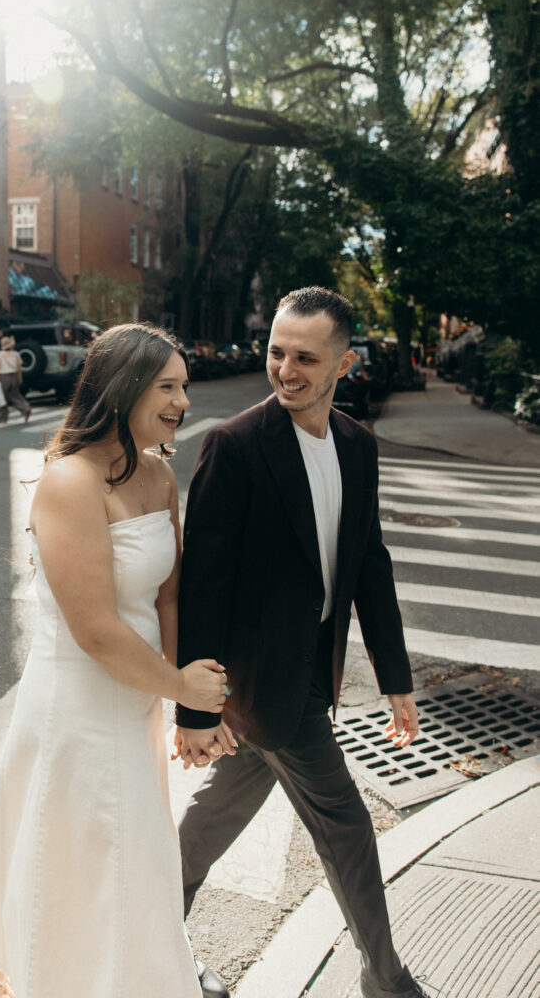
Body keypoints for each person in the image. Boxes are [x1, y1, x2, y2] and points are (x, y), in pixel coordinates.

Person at [174, 287, 436, 998]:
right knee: (345, 827)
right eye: (276, 353)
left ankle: (146, 942)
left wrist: (394, 675)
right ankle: (386, 981)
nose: (285, 370)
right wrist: (197, 709)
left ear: (344, 363)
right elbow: (203, 583)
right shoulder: (232, 446)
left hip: (311, 670)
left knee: (212, 821)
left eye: (304, 358)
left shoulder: (355, 443)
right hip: (261, 686)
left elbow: (368, 560)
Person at [0, 324, 229, 998]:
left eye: (184, 387)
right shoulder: (68, 481)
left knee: (131, 859)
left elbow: (168, 599)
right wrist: (178, 683)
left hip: (133, 701)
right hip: (76, 708)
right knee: (79, 859)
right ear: (123, 389)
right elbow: (95, 631)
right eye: (167, 386)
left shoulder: (159, 473)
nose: (182, 402)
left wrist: (192, 710)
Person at [0, 336, 31, 424]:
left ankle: (2, 417)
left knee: (2, 397)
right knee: (16, 395)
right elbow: (19, 368)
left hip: (3, 377)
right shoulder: (16, 354)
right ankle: (26, 408)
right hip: (14, 376)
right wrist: (20, 378)